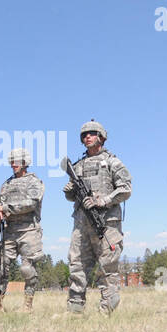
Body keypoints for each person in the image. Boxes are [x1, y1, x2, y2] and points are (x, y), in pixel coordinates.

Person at [64, 121, 131, 314]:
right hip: (81, 225)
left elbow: (126, 188)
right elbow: (72, 197)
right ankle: (75, 311)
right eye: (84, 135)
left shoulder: (112, 162)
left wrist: (103, 201)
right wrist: (70, 191)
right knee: (77, 266)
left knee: (107, 267)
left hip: (106, 224)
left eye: (92, 134)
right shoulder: (77, 166)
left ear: (101, 137)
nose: (87, 137)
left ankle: (106, 312)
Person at [0, 148, 46, 311]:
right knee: (1, 267)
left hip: (29, 230)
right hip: (9, 231)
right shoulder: (6, 184)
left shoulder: (34, 182)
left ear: (24, 162)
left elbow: (32, 203)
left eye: (16, 162)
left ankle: (27, 305)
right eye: (11, 162)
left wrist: (5, 208)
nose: (13, 165)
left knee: (27, 268)